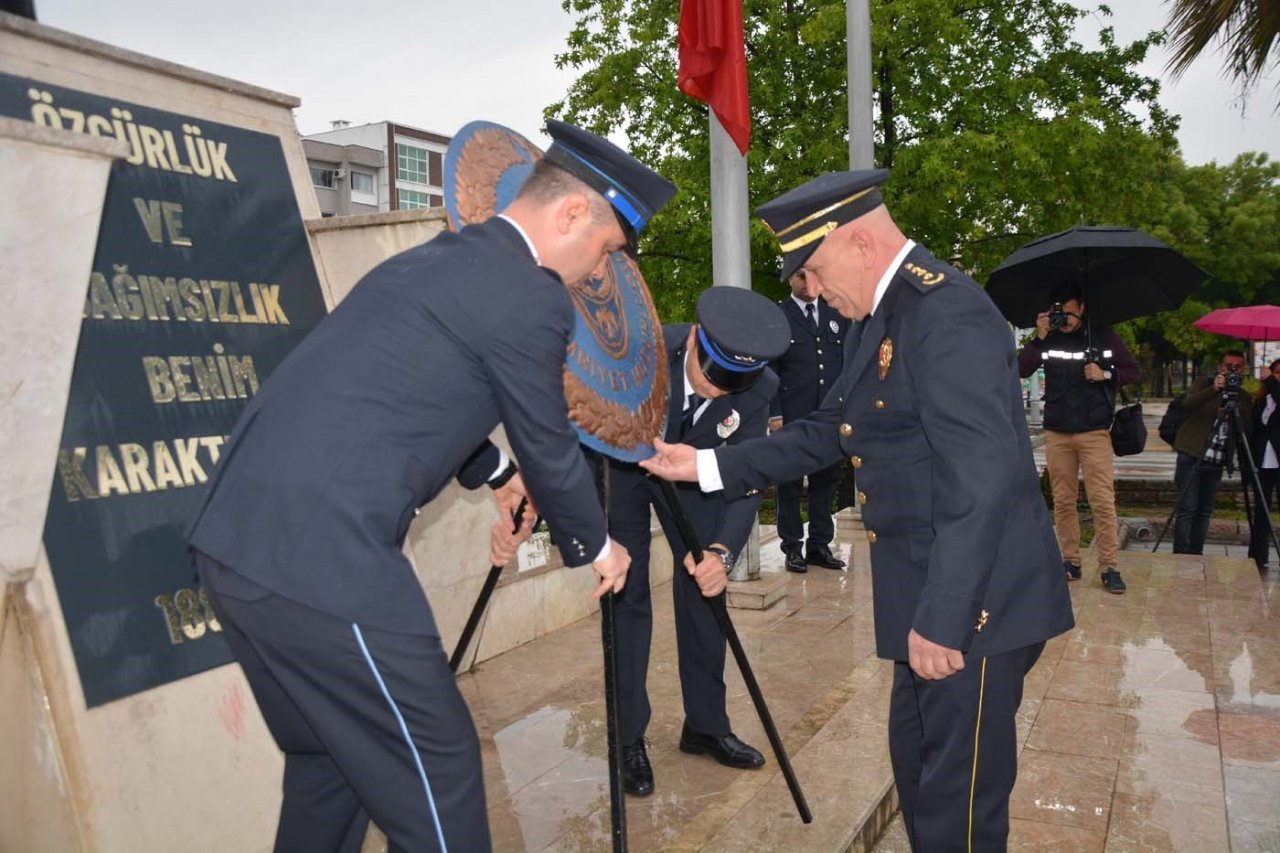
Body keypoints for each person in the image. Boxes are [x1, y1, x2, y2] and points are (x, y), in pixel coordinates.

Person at [186, 121, 676, 852]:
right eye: (604, 250)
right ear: (573, 213)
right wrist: (598, 544)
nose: (595, 273)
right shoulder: (533, 292)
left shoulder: (441, 261)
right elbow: (547, 436)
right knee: (438, 764)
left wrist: (500, 476)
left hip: (234, 546)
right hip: (323, 563)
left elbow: (416, 393)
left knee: (333, 766)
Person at [640, 169, 1074, 851]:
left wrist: (945, 619)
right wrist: (703, 463)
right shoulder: (884, 317)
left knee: (958, 806)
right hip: (927, 591)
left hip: (977, 605)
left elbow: (983, 479)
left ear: (860, 243)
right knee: (920, 774)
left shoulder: (945, 311)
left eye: (813, 268)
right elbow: (826, 431)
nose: (811, 290)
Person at [601, 286, 789, 797]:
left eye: (732, 385)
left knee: (706, 590)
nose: (717, 391)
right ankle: (629, 738)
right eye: (711, 376)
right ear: (695, 341)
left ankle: (705, 726)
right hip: (625, 463)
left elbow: (749, 476)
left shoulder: (756, 388)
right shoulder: (640, 357)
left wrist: (723, 553)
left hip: (697, 471)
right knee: (627, 593)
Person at [1016, 285, 1141, 594]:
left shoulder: (1104, 337)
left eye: (1069, 311)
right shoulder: (1049, 339)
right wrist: (1040, 336)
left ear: (1082, 308)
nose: (1064, 318)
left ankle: (1110, 566)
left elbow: (1134, 371)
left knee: (1101, 500)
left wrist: (1106, 373)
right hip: (1057, 429)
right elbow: (1019, 369)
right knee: (1062, 500)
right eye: (1058, 312)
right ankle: (1070, 561)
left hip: (1094, 430)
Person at [769, 269, 852, 572]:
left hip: (829, 415)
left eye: (813, 275)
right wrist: (774, 413)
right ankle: (792, 547)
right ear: (789, 279)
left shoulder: (836, 314)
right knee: (789, 482)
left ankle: (819, 545)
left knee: (827, 480)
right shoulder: (779, 315)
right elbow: (771, 370)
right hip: (793, 414)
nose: (807, 282)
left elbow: (846, 365)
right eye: (801, 276)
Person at [1172, 350, 1253, 556]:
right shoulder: (1205, 383)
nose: (1232, 370)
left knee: (1204, 511)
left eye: (1238, 367)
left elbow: (1247, 428)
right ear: (1220, 367)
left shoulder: (1243, 396)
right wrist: (1214, 389)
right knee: (1187, 508)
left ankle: (1196, 552)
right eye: (1228, 366)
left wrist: (1232, 411)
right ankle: (1181, 553)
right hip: (1192, 454)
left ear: (1243, 370)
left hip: (1216, 460)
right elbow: (1188, 403)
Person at [1249, 359, 1280, 569]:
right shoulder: (1262, 399)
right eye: (1277, 373)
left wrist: (1270, 380)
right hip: (1263, 461)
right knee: (1261, 509)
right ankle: (1258, 555)